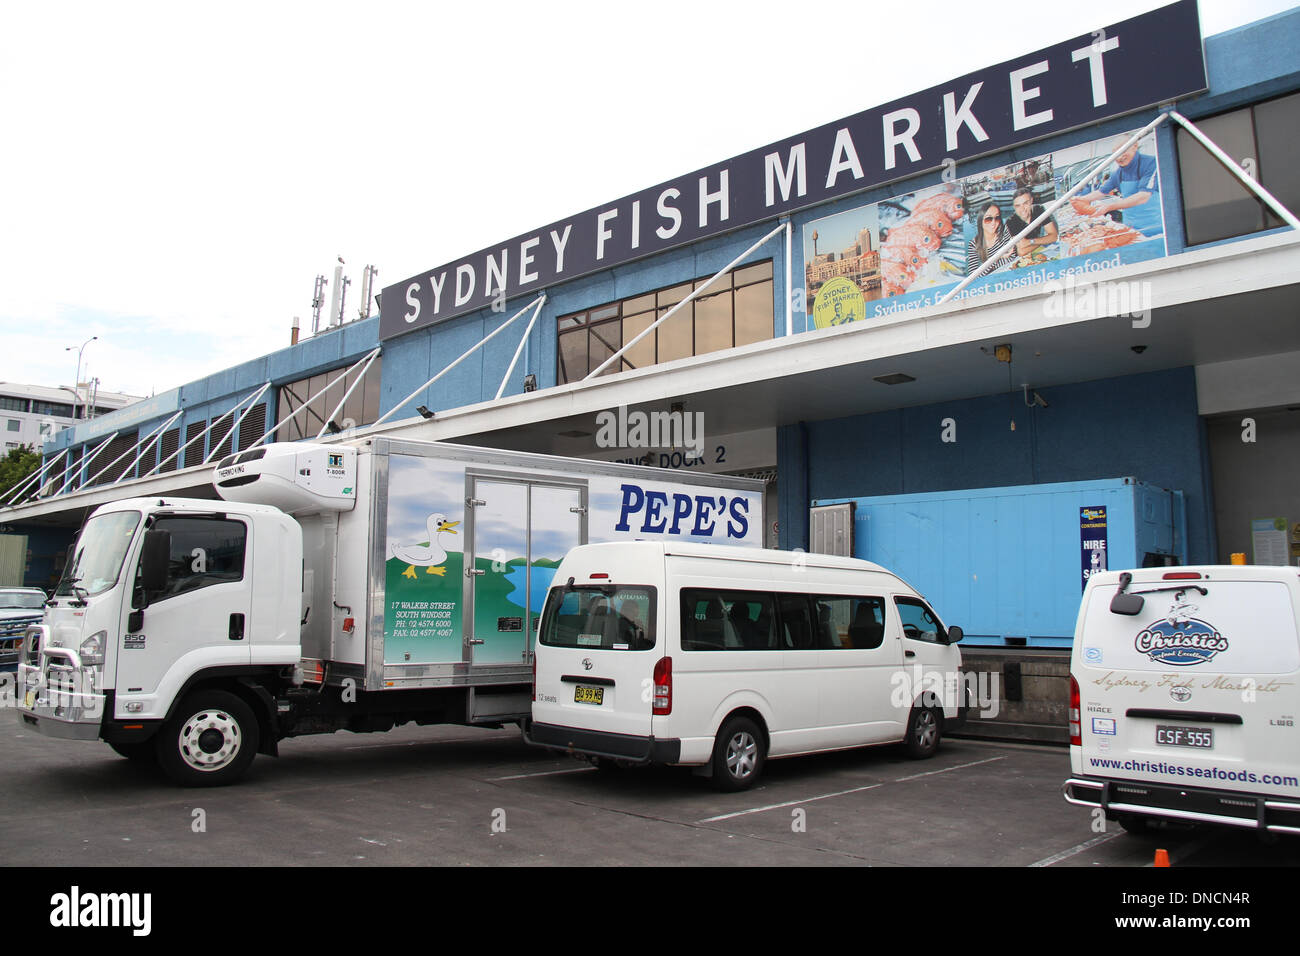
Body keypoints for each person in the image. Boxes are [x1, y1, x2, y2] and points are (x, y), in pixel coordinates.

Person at [1080, 139, 1161, 235]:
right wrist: (1080, 199)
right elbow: (1101, 192)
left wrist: (1109, 207)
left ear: (1134, 146)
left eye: (1123, 151)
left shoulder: (1150, 163)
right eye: (1116, 154)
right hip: (1130, 228)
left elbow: (1143, 196)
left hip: (1155, 226)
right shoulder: (1118, 174)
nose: (1119, 157)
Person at [1006, 188, 1059, 258]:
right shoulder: (1011, 222)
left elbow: (1054, 237)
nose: (1022, 209)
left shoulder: (1038, 210)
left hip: (1034, 249)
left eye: (1025, 203)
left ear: (1031, 201)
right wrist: (1043, 241)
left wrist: (1029, 242)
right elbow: (1021, 252)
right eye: (1018, 206)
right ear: (1014, 207)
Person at [966, 202, 1015, 275]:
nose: (993, 223)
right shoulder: (974, 244)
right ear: (980, 221)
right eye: (988, 219)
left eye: (997, 218)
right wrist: (998, 256)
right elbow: (973, 276)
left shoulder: (1004, 230)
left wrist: (989, 266)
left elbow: (1012, 258)